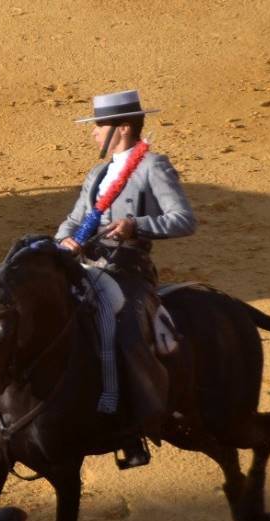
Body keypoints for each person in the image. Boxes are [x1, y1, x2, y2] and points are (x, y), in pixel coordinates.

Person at [55, 90, 196, 468]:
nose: (93, 133)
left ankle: (134, 426)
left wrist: (137, 226)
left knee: (126, 332)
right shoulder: (97, 173)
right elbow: (73, 219)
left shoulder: (154, 166)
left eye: (98, 125)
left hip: (128, 268)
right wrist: (64, 240)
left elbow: (184, 219)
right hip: (87, 264)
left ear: (123, 128)